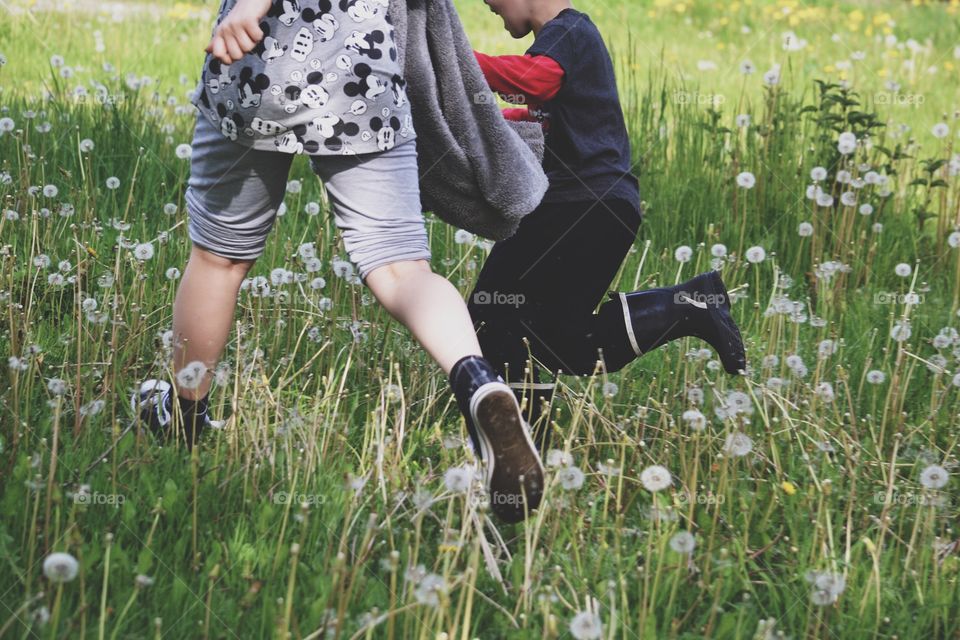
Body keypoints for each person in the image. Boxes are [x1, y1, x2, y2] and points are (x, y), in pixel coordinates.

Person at [131, 0, 543, 523]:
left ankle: (184, 417)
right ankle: (478, 381)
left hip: (260, 61)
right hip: (362, 70)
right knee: (402, 269)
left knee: (219, 259)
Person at [469, 0, 747, 452]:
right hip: (604, 209)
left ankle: (517, 444)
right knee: (558, 340)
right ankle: (689, 306)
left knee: (488, 313)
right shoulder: (568, 42)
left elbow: (535, 81)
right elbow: (538, 115)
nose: (491, 7)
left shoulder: (567, 32)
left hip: (578, 204)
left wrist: (458, 63)